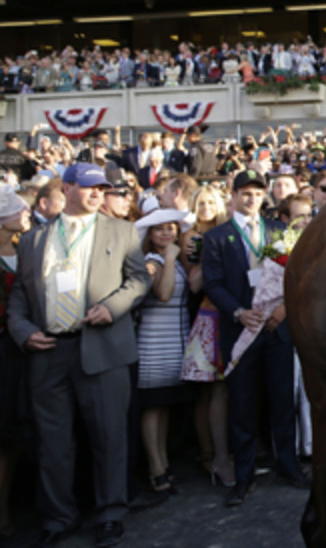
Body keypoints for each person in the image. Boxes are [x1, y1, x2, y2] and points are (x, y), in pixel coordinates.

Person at [6, 163, 151, 548]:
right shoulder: (35, 240)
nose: (96, 194)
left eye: (101, 188)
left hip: (103, 349)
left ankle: (110, 514)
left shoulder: (121, 231)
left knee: (109, 437)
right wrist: (22, 331)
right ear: (67, 188)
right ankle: (58, 517)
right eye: (88, 187)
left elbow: (139, 281)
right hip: (48, 351)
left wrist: (113, 307)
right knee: (53, 443)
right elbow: (20, 294)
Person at [202, 169, 308, 507]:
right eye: (245, 193)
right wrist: (238, 312)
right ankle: (244, 475)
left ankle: (288, 465)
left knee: (282, 402)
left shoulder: (280, 230)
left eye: (258, 193)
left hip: (277, 328)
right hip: (241, 330)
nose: (252, 199)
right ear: (233, 196)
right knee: (243, 405)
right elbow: (213, 284)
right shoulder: (217, 237)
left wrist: (284, 310)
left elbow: (295, 274)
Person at [133, 207, 196, 495]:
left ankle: (163, 462)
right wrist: (170, 258)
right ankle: (156, 469)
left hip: (174, 339)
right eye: (160, 228)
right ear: (150, 234)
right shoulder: (152, 260)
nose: (167, 232)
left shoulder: (175, 260)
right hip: (154, 342)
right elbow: (164, 293)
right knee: (152, 407)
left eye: (171, 227)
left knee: (164, 406)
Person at [180, 185, 234, 487]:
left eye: (211, 202)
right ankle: (214, 456)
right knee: (212, 391)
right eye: (201, 202)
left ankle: (221, 454)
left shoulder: (228, 231)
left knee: (224, 391)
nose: (206, 207)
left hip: (232, 316)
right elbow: (195, 284)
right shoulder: (192, 238)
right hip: (207, 316)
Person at [0, 185, 32, 540]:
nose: (25, 212)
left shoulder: (25, 249)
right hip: (3, 351)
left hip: (20, 352)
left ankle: (7, 507)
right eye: (16, 209)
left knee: (11, 440)